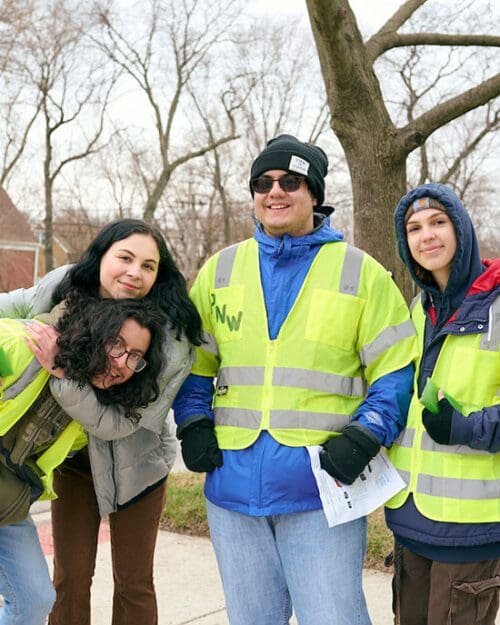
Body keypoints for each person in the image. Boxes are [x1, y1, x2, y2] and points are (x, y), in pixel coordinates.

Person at [173, 134, 418, 625]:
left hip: (320, 490)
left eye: (290, 181)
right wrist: (193, 422)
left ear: (314, 193)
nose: (274, 191)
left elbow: (395, 370)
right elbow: (194, 365)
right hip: (232, 493)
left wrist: (367, 434)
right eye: (262, 182)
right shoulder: (219, 270)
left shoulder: (361, 273)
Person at [0, 218, 202, 625]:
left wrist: (63, 376)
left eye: (148, 266)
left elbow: (122, 424)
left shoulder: (171, 338)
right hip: (75, 462)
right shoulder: (67, 285)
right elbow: (17, 304)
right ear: (101, 257)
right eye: (125, 258)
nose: (134, 272)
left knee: (134, 583)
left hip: (137, 468)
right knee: (70, 579)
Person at [0, 295, 167, 625]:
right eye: (117, 345)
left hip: (8, 498)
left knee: (35, 598)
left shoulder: (81, 420)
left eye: (136, 357)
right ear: (95, 332)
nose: (122, 363)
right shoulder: (26, 345)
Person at [385, 183, 500, 625]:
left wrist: (467, 427)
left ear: (462, 230)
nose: (426, 236)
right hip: (411, 521)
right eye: (413, 228)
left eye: (438, 222)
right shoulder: (418, 309)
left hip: (472, 528)